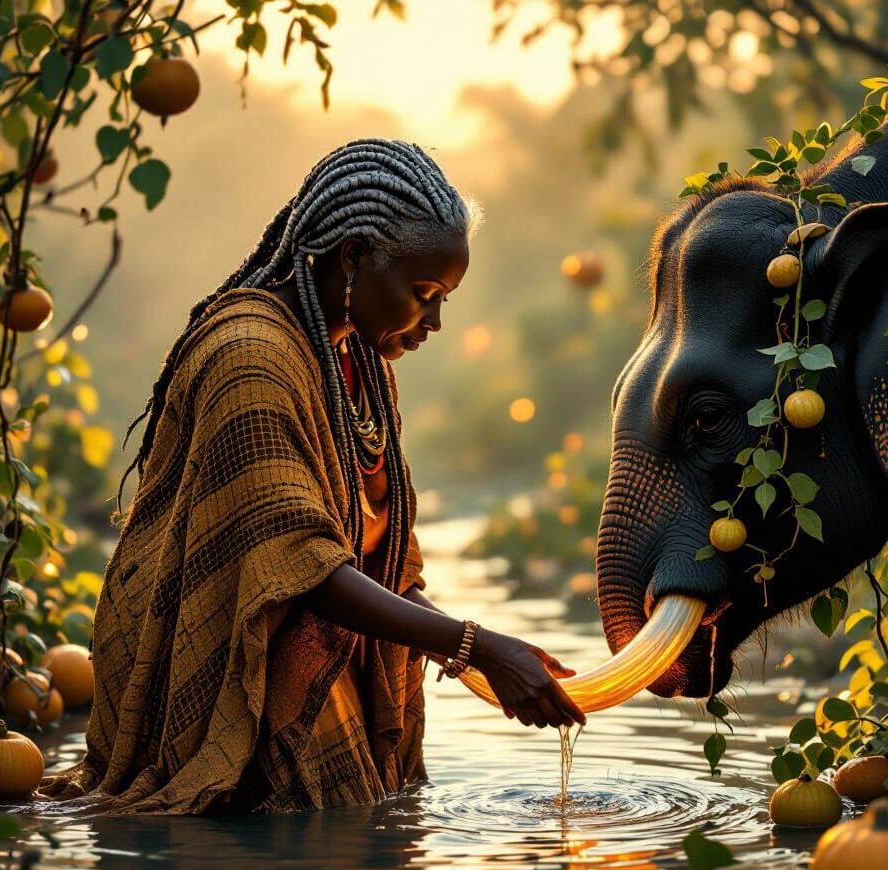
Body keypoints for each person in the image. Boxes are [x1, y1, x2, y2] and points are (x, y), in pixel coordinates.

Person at [37, 138, 585, 815]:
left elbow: (380, 571)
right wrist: (477, 646)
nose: (437, 321)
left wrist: (481, 653)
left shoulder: (359, 368)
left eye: (443, 298)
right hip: (233, 694)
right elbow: (302, 568)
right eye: (423, 294)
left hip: (321, 680)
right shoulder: (250, 361)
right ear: (354, 257)